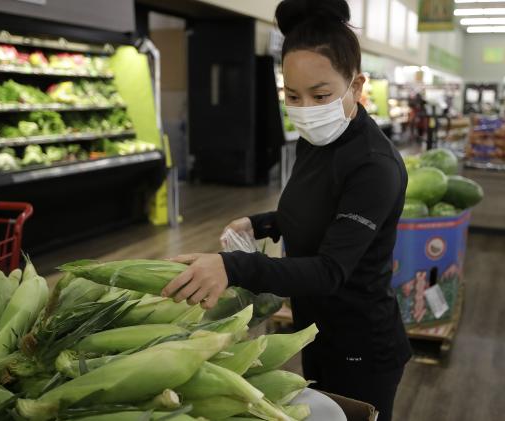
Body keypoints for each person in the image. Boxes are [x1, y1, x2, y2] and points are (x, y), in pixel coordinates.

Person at [161, 0, 411, 418]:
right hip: (315, 331)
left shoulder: (374, 165)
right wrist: (258, 223)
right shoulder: (318, 141)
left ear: (357, 85)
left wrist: (232, 266)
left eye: (321, 94)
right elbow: (314, 209)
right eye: (292, 96)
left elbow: (330, 271)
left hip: (362, 347)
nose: (307, 110)